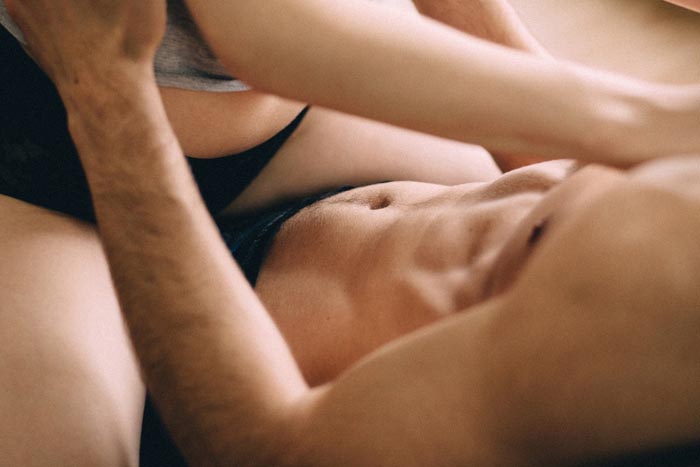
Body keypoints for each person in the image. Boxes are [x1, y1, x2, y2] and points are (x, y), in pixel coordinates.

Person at [2, 0, 700, 465]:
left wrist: (105, 87)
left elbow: (269, 448)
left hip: (195, 339)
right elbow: (567, 158)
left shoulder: (655, 347)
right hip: (281, 154)